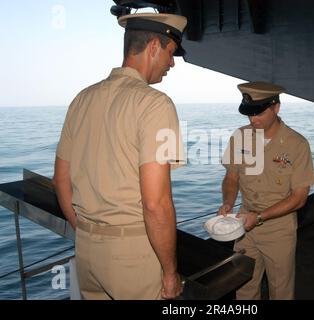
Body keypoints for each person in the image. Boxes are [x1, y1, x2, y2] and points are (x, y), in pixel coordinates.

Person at [52, 13, 187, 300]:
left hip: (87, 251)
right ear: (153, 47)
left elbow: (61, 182)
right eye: (171, 53)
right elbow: (156, 204)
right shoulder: (155, 104)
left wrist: (89, 234)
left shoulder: (82, 99)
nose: (172, 64)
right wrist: (170, 272)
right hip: (132, 259)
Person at [219, 81, 314, 299]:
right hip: (244, 225)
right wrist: (227, 202)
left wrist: (260, 217)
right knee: (243, 287)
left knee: (280, 291)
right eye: (249, 114)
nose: (253, 119)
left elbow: (300, 197)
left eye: (259, 112)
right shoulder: (240, 136)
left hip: (278, 229)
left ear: (276, 107)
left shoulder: (297, 144)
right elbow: (231, 177)